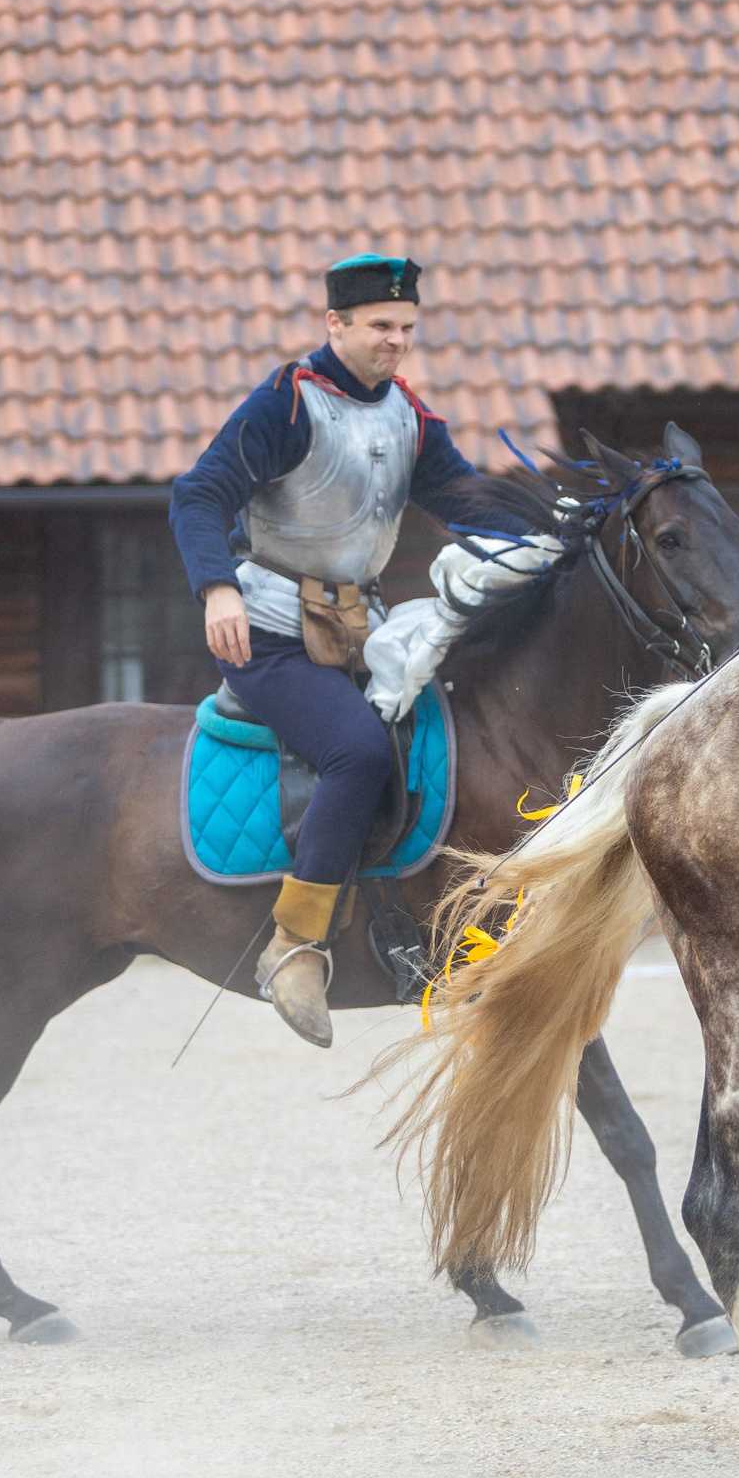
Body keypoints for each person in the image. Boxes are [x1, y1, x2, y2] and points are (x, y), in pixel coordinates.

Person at [169, 254, 510, 1047]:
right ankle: (295, 944)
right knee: (358, 753)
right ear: (336, 324)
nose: (396, 341)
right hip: (268, 636)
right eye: (381, 327)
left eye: (407, 329)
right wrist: (216, 585)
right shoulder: (286, 403)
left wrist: (549, 536)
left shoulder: (410, 418)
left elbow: (465, 501)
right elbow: (201, 491)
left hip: (363, 634)